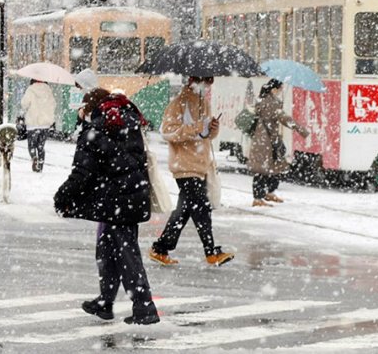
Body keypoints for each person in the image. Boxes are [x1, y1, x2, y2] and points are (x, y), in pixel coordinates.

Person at [54, 89, 160, 325]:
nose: (80, 113)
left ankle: (144, 307)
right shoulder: (125, 120)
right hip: (128, 196)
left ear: (89, 108)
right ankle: (105, 301)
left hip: (117, 201)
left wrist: (61, 197)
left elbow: (82, 172)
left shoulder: (96, 130)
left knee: (126, 253)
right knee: (108, 250)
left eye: (81, 108)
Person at [148, 76, 234, 267]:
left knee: (184, 210)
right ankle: (211, 252)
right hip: (184, 165)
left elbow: (207, 136)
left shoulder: (204, 103)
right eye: (206, 80)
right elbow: (168, 132)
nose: (208, 84)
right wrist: (195, 128)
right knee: (201, 208)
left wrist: (213, 128)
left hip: (201, 164)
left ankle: (161, 248)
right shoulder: (178, 103)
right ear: (194, 80)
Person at [247, 79, 309, 207]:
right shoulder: (271, 103)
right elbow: (284, 118)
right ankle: (258, 198)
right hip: (265, 141)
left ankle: (268, 192)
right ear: (273, 89)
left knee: (272, 166)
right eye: (280, 88)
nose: (281, 91)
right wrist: (300, 129)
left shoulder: (263, 100)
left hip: (264, 139)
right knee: (264, 169)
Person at [20, 79, 56, 172]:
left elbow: (24, 104)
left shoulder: (31, 89)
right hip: (45, 124)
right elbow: (54, 104)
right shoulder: (48, 90)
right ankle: (40, 165)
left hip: (33, 123)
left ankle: (34, 157)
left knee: (31, 145)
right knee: (41, 146)